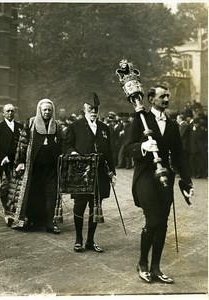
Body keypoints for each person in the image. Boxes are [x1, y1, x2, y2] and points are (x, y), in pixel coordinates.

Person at [125, 83, 194, 284]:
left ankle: (156, 267)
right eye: (163, 96)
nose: (166, 99)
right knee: (153, 220)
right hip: (145, 176)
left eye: (168, 95)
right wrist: (143, 147)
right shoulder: (140, 120)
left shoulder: (172, 125)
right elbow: (127, 148)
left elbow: (180, 156)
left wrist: (187, 183)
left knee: (162, 223)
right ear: (151, 99)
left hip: (165, 178)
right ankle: (142, 263)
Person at [64, 92, 116, 253]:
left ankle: (90, 241)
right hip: (81, 173)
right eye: (90, 109)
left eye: (96, 109)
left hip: (100, 174)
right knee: (79, 206)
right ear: (84, 109)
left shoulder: (104, 128)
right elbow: (66, 146)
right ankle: (78, 239)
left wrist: (112, 172)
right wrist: (74, 154)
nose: (93, 112)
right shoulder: (75, 126)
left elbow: (109, 152)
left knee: (95, 206)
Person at [8, 98, 63, 233]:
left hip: (52, 166)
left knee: (51, 194)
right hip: (34, 166)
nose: (47, 112)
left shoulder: (57, 125)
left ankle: (50, 223)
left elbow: (62, 143)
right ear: (40, 110)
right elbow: (22, 143)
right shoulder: (31, 123)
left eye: (49, 110)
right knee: (34, 193)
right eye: (44, 109)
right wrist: (21, 161)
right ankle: (34, 220)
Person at [0, 104, 23, 211]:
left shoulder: (20, 127)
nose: (10, 113)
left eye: (12, 111)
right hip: (5, 162)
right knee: (5, 186)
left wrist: (22, 160)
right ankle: (7, 209)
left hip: (19, 162)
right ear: (3, 113)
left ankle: (17, 210)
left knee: (18, 186)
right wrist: (2, 157)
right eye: (8, 111)